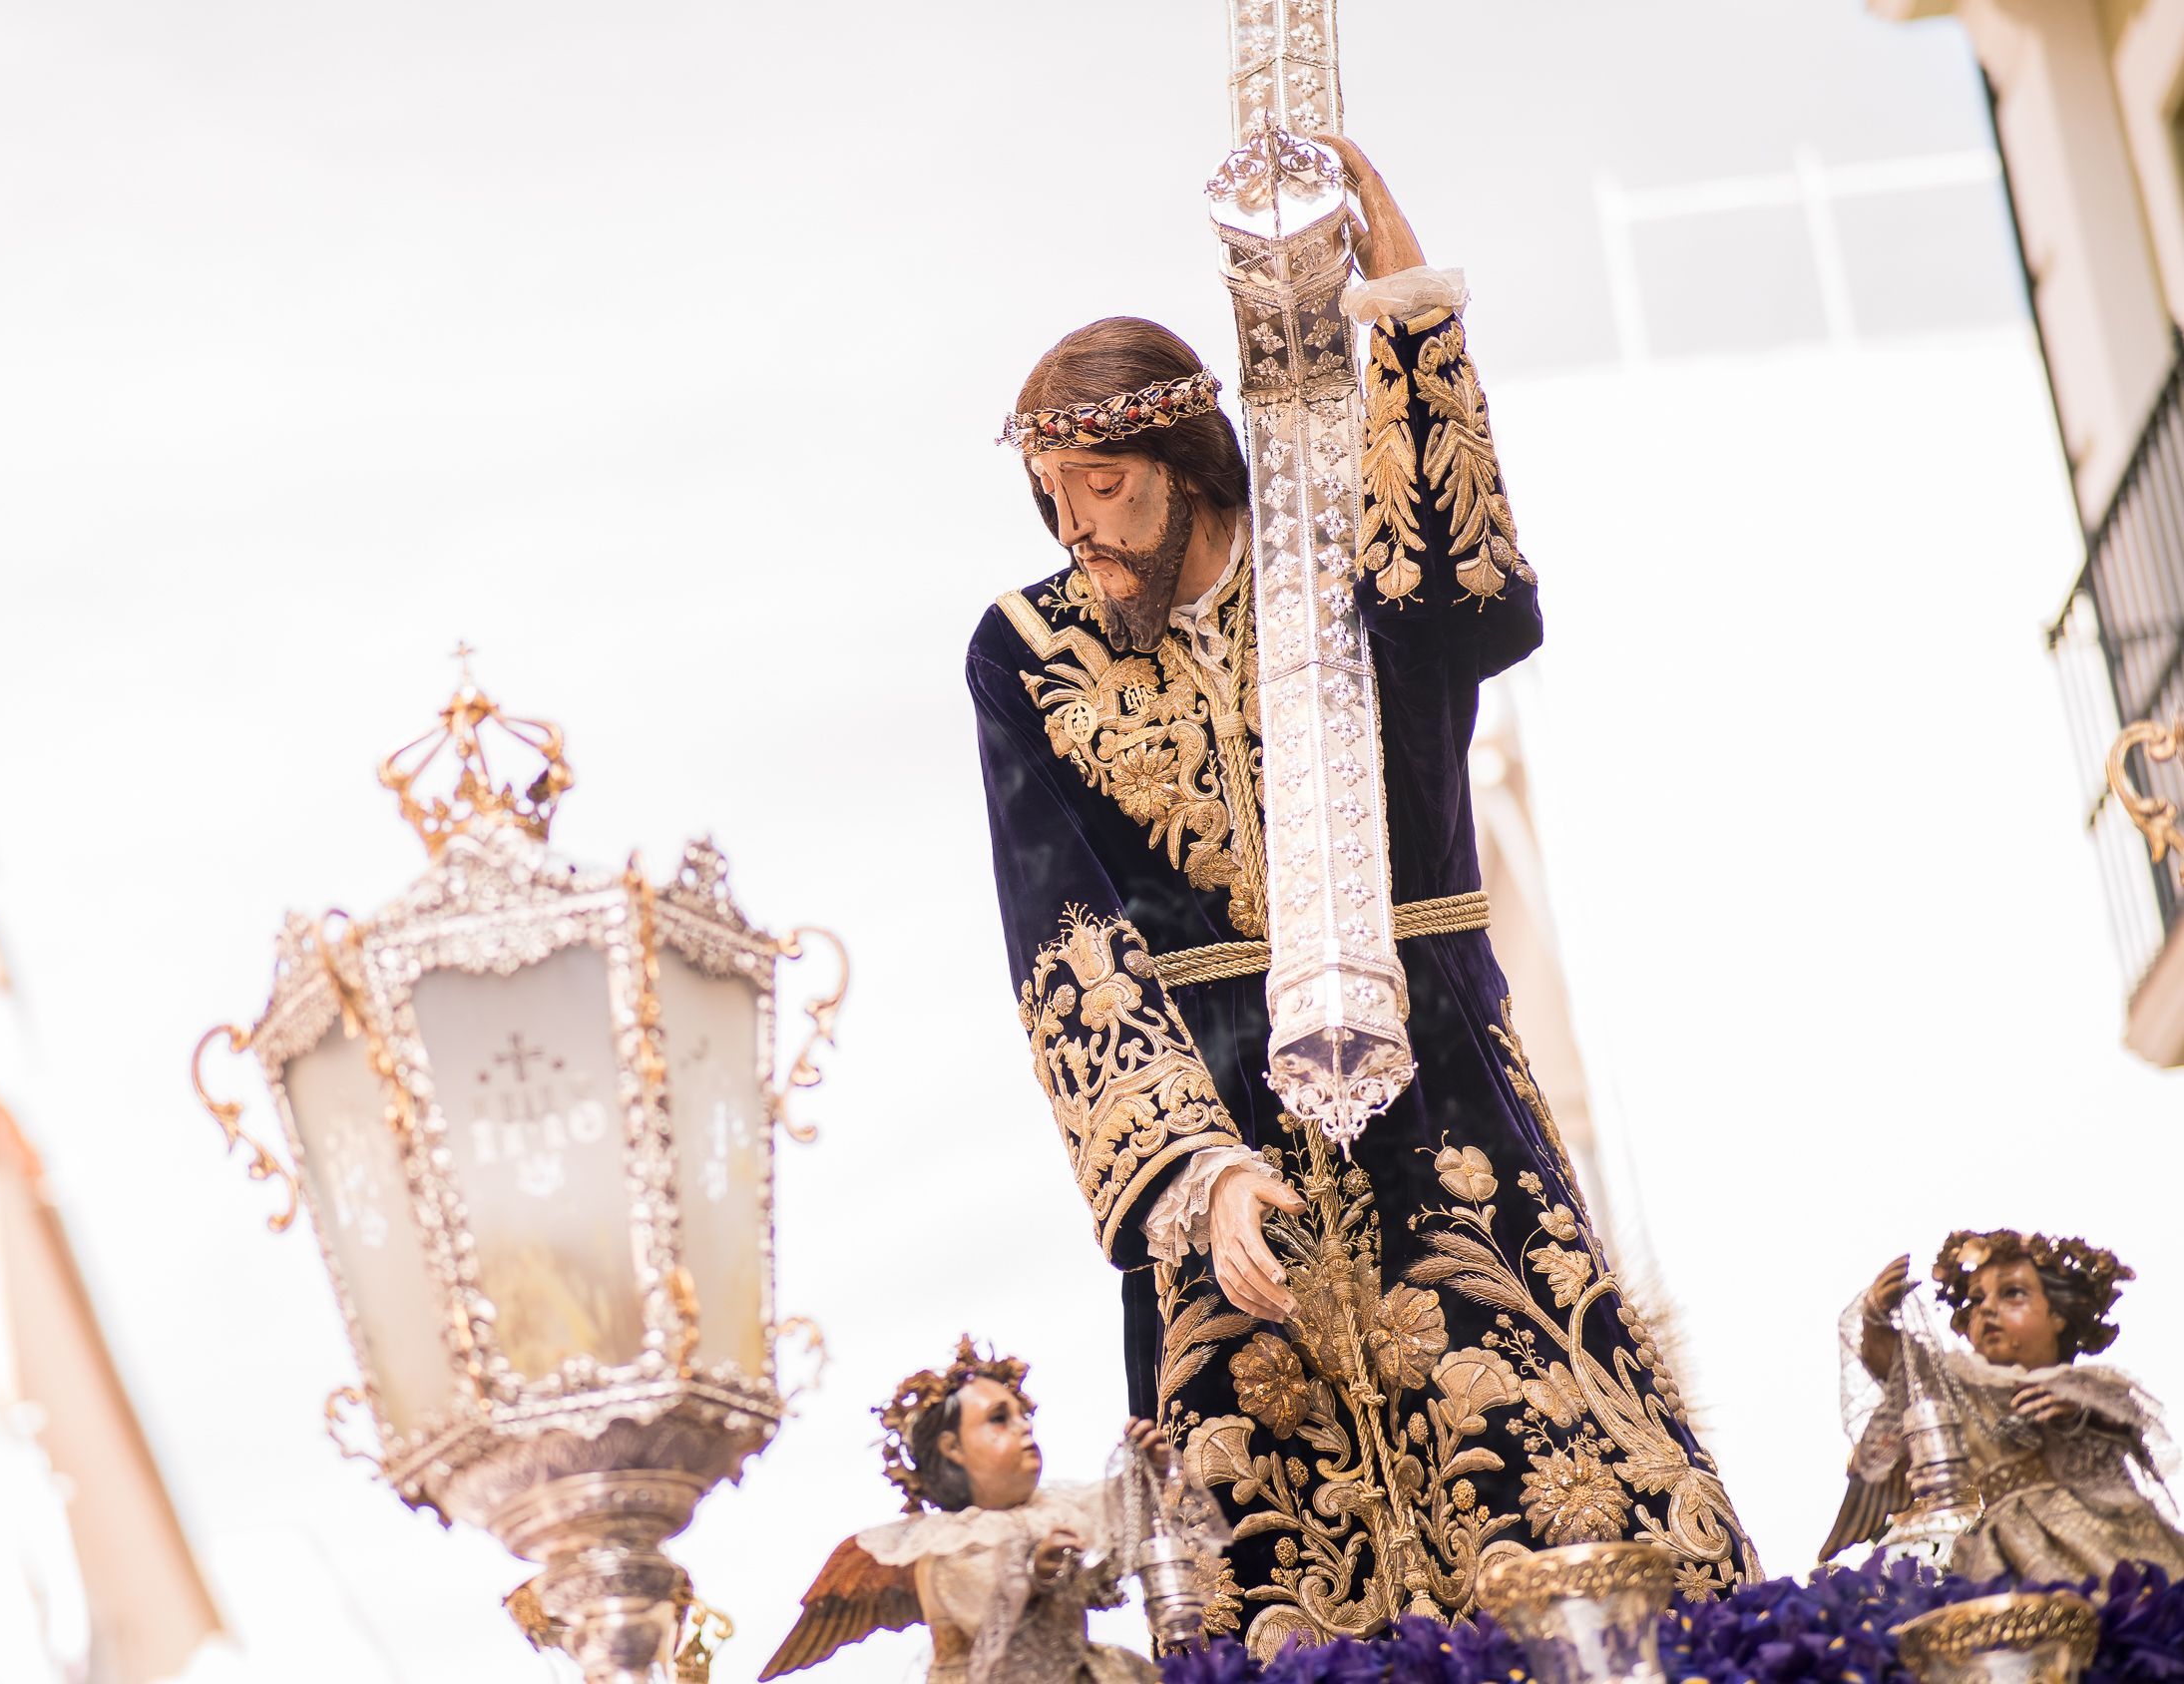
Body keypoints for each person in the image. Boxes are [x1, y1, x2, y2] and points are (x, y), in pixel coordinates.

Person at [965, 137, 1755, 1648]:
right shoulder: (1025, 650)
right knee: (1274, 1559)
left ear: (1190, 467)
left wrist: (1406, 307)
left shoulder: (1342, 572)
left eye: (1107, 485)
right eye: (1053, 494)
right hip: (1215, 1150)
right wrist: (1192, 1175)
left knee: (1561, 1490)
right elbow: (1062, 930)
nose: (1078, 528)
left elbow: (1477, 592)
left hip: (1437, 1075)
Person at [762, 1339, 1197, 1683]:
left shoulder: (1059, 1507)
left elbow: (1113, 1535)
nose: (1024, 1426)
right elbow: (976, 1597)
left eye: (1022, 1416)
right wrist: (1032, 1570)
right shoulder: (943, 1544)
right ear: (952, 1448)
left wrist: (1147, 1474)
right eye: (998, 1419)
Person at [1823, 1229, 2184, 1578]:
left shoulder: (2089, 1385)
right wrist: (1874, 1314)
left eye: (2012, 1294)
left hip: (2099, 1530)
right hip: (2005, 1542)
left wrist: (2077, 1410)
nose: (1987, 1310)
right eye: (1977, 1300)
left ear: (2058, 1314)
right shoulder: (1963, 1383)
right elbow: (1900, 1365)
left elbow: (2125, 1421)